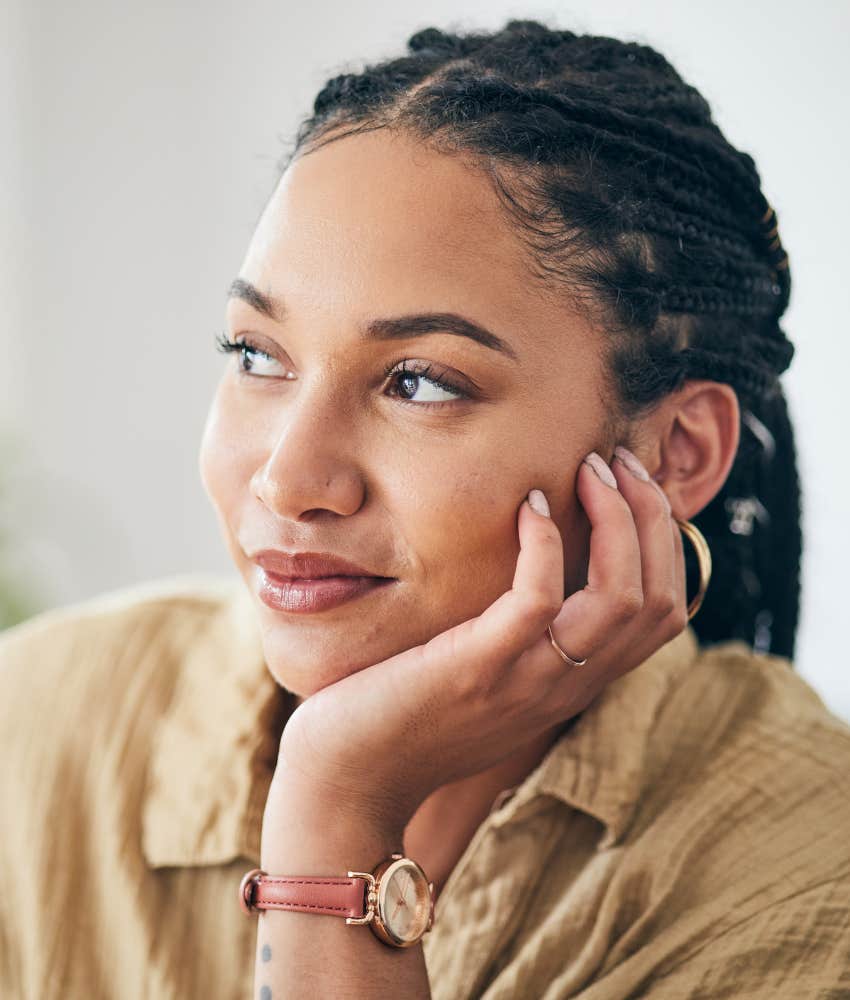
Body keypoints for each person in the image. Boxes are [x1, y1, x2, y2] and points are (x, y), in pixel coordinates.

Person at [2, 16, 849, 1000]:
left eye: (419, 382)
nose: (288, 480)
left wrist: (337, 808)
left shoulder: (809, 873)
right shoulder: (35, 722)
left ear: (677, 452)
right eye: (257, 355)